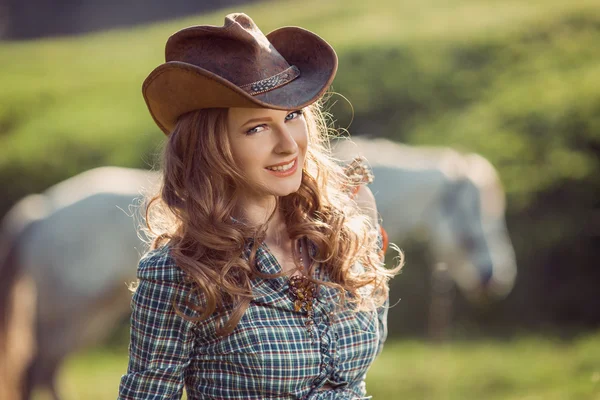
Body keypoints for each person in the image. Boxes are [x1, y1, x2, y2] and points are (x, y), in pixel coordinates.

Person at [118, 13, 401, 400]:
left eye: (293, 116)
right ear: (212, 146)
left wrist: (363, 226)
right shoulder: (180, 274)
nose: (288, 144)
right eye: (257, 128)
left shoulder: (344, 231)